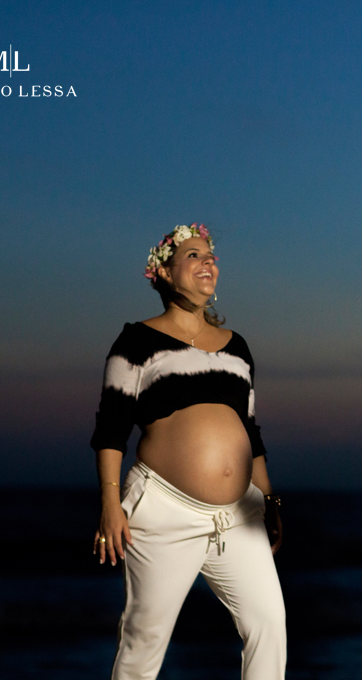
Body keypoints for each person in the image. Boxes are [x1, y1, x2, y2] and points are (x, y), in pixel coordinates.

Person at [90, 223, 287, 680]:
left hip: (240, 515)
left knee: (269, 625)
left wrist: (269, 498)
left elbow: (250, 432)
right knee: (144, 640)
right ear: (164, 271)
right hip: (162, 510)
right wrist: (109, 502)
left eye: (212, 256)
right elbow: (111, 428)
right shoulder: (136, 342)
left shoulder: (237, 348)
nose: (208, 262)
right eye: (194, 255)